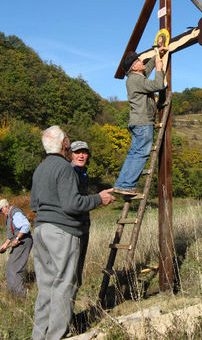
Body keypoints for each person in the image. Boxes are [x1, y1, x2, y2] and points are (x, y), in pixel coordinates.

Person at [30, 125, 115, 340]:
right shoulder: (65, 168)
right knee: (64, 284)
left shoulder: (40, 169)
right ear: (64, 144)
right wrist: (99, 199)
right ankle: (57, 335)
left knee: (46, 286)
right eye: (67, 138)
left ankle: (39, 335)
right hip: (62, 231)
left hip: (40, 230)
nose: (69, 141)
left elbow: (33, 204)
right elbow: (72, 204)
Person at [113, 50, 166, 196]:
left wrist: (157, 55)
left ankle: (122, 184)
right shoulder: (136, 80)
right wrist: (159, 66)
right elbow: (158, 84)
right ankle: (128, 185)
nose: (141, 61)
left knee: (134, 153)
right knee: (141, 154)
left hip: (138, 122)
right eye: (137, 60)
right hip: (143, 123)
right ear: (133, 67)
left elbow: (147, 69)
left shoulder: (135, 78)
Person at [0, 199, 33, 298]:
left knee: (15, 268)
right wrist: (5, 245)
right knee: (10, 267)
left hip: (23, 241)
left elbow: (26, 226)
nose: (1, 213)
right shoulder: (9, 216)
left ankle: (20, 296)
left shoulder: (15, 213)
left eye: (1, 210)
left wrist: (17, 238)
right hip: (19, 242)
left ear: (6, 207)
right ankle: (13, 294)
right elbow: (11, 236)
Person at [70, 140, 91, 287]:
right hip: (72, 227)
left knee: (78, 266)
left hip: (84, 225)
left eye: (84, 152)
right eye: (77, 152)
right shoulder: (69, 172)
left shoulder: (83, 173)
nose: (81, 155)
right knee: (70, 267)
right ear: (70, 155)